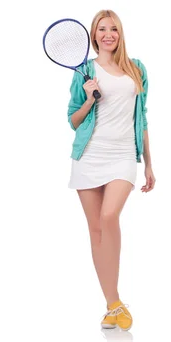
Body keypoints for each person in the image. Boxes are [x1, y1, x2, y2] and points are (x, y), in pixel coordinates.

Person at [66, 9, 154, 331]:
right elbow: (73, 121)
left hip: (121, 157)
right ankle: (112, 304)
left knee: (108, 217)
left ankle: (114, 304)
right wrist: (89, 99)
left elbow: (142, 118)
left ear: (120, 34)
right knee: (96, 231)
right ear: (94, 35)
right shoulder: (84, 72)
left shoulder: (137, 69)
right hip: (88, 156)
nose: (108, 34)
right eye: (102, 29)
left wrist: (148, 163)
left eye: (113, 29)